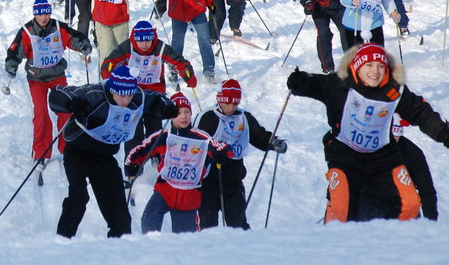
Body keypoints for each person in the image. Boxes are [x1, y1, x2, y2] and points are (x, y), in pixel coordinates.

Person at [286, 44, 449, 223]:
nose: (375, 71)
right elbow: (313, 85)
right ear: (358, 67)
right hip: (345, 159)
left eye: (380, 66)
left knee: (410, 204)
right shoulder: (339, 85)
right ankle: (334, 242)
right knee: (342, 209)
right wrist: (300, 82)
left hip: (383, 160)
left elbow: (419, 111)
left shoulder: (393, 90)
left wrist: (440, 130)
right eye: (369, 65)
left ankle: (407, 244)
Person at [48, 65, 179, 238]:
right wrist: (71, 103)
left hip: (104, 158)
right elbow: (57, 94)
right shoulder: (94, 95)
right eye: (121, 95)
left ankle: (119, 246)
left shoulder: (136, 98)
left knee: (119, 211)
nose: (126, 101)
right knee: (79, 197)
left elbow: (154, 99)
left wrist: (167, 108)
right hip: (78, 154)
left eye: (129, 95)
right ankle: (62, 240)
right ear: (112, 90)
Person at [125, 92, 232, 234]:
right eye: (178, 113)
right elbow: (141, 149)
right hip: (165, 188)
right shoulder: (164, 137)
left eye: (187, 112)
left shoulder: (200, 137)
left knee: (184, 237)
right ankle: (150, 250)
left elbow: (219, 147)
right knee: (149, 220)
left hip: (188, 194)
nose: (184, 116)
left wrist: (222, 153)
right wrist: (132, 164)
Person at [4, 0, 93, 163]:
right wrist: (12, 64)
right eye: (40, 14)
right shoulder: (27, 30)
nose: (44, 17)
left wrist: (83, 44)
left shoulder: (58, 27)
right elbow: (15, 50)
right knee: (41, 115)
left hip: (57, 76)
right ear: (34, 15)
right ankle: (41, 153)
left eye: (46, 13)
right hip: (37, 79)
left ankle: (67, 148)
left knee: (66, 111)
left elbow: (74, 37)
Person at [192, 79, 286, 229]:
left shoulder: (244, 117)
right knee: (208, 226)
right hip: (208, 181)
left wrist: (274, 142)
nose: (230, 108)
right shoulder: (207, 117)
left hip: (233, 181)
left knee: (238, 224)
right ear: (220, 99)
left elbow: (259, 136)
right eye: (227, 103)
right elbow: (195, 144)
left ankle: (245, 251)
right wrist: (212, 153)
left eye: (234, 104)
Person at [100, 20, 196, 156]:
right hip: (133, 95)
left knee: (155, 129)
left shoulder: (160, 47)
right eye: (141, 41)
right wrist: (108, 76)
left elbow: (178, 61)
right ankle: (132, 162)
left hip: (155, 94)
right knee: (134, 131)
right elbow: (110, 62)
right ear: (135, 40)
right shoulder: (128, 46)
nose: (145, 44)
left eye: (148, 41)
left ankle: (156, 158)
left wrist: (187, 72)